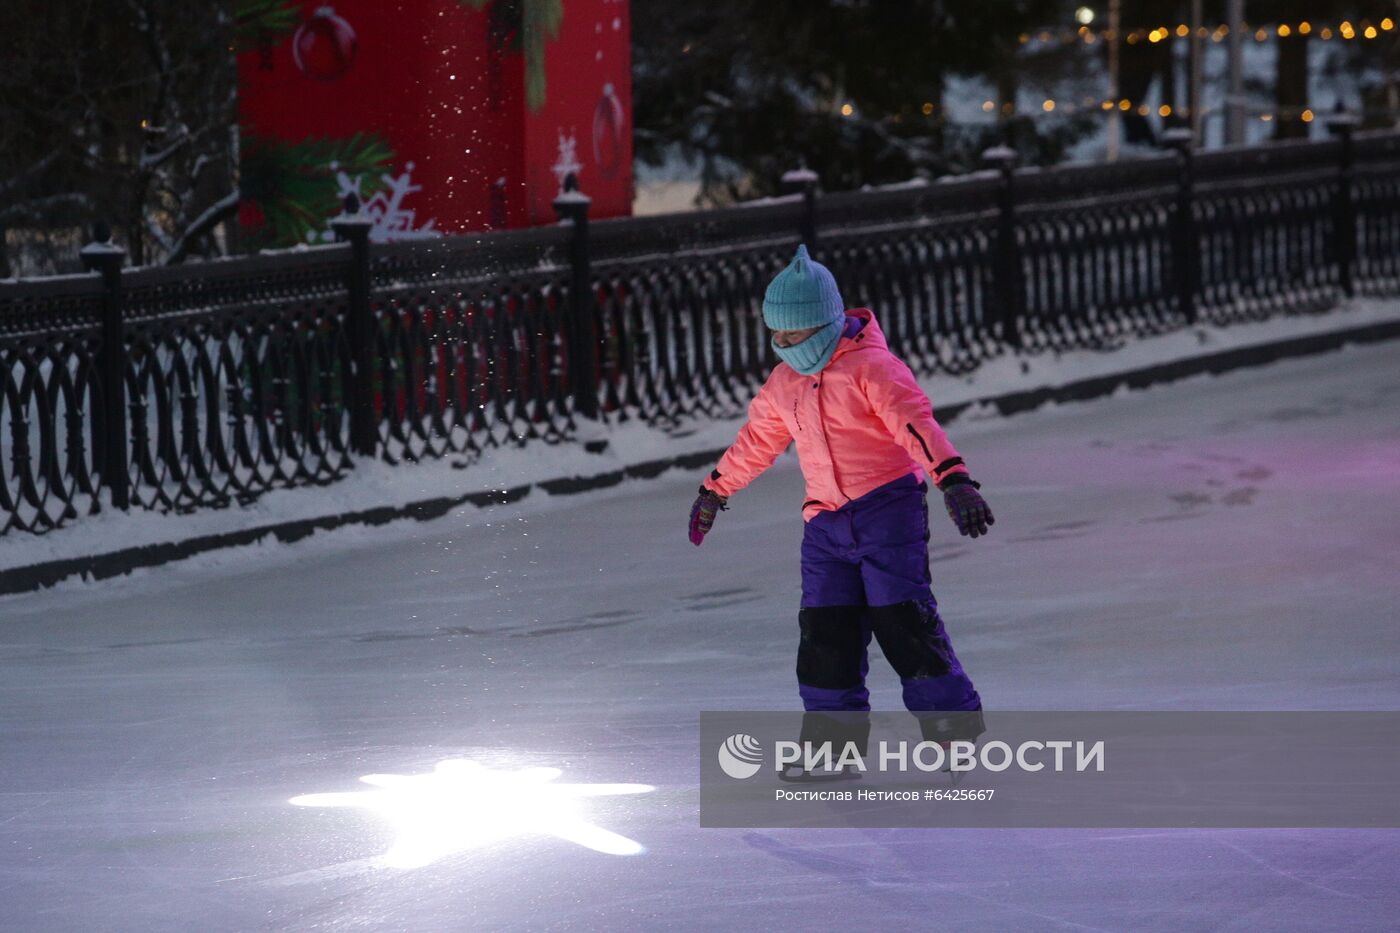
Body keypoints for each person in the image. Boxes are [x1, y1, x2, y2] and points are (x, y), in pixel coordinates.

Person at [687, 244, 993, 763]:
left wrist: (953, 478)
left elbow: (915, 423)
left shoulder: (873, 368)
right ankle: (832, 751)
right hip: (824, 524)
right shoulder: (786, 382)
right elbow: (758, 440)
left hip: (887, 510)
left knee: (904, 623)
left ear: (825, 324)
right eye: (776, 336)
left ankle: (952, 732)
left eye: (794, 335)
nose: (783, 346)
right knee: (825, 636)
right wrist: (715, 489)